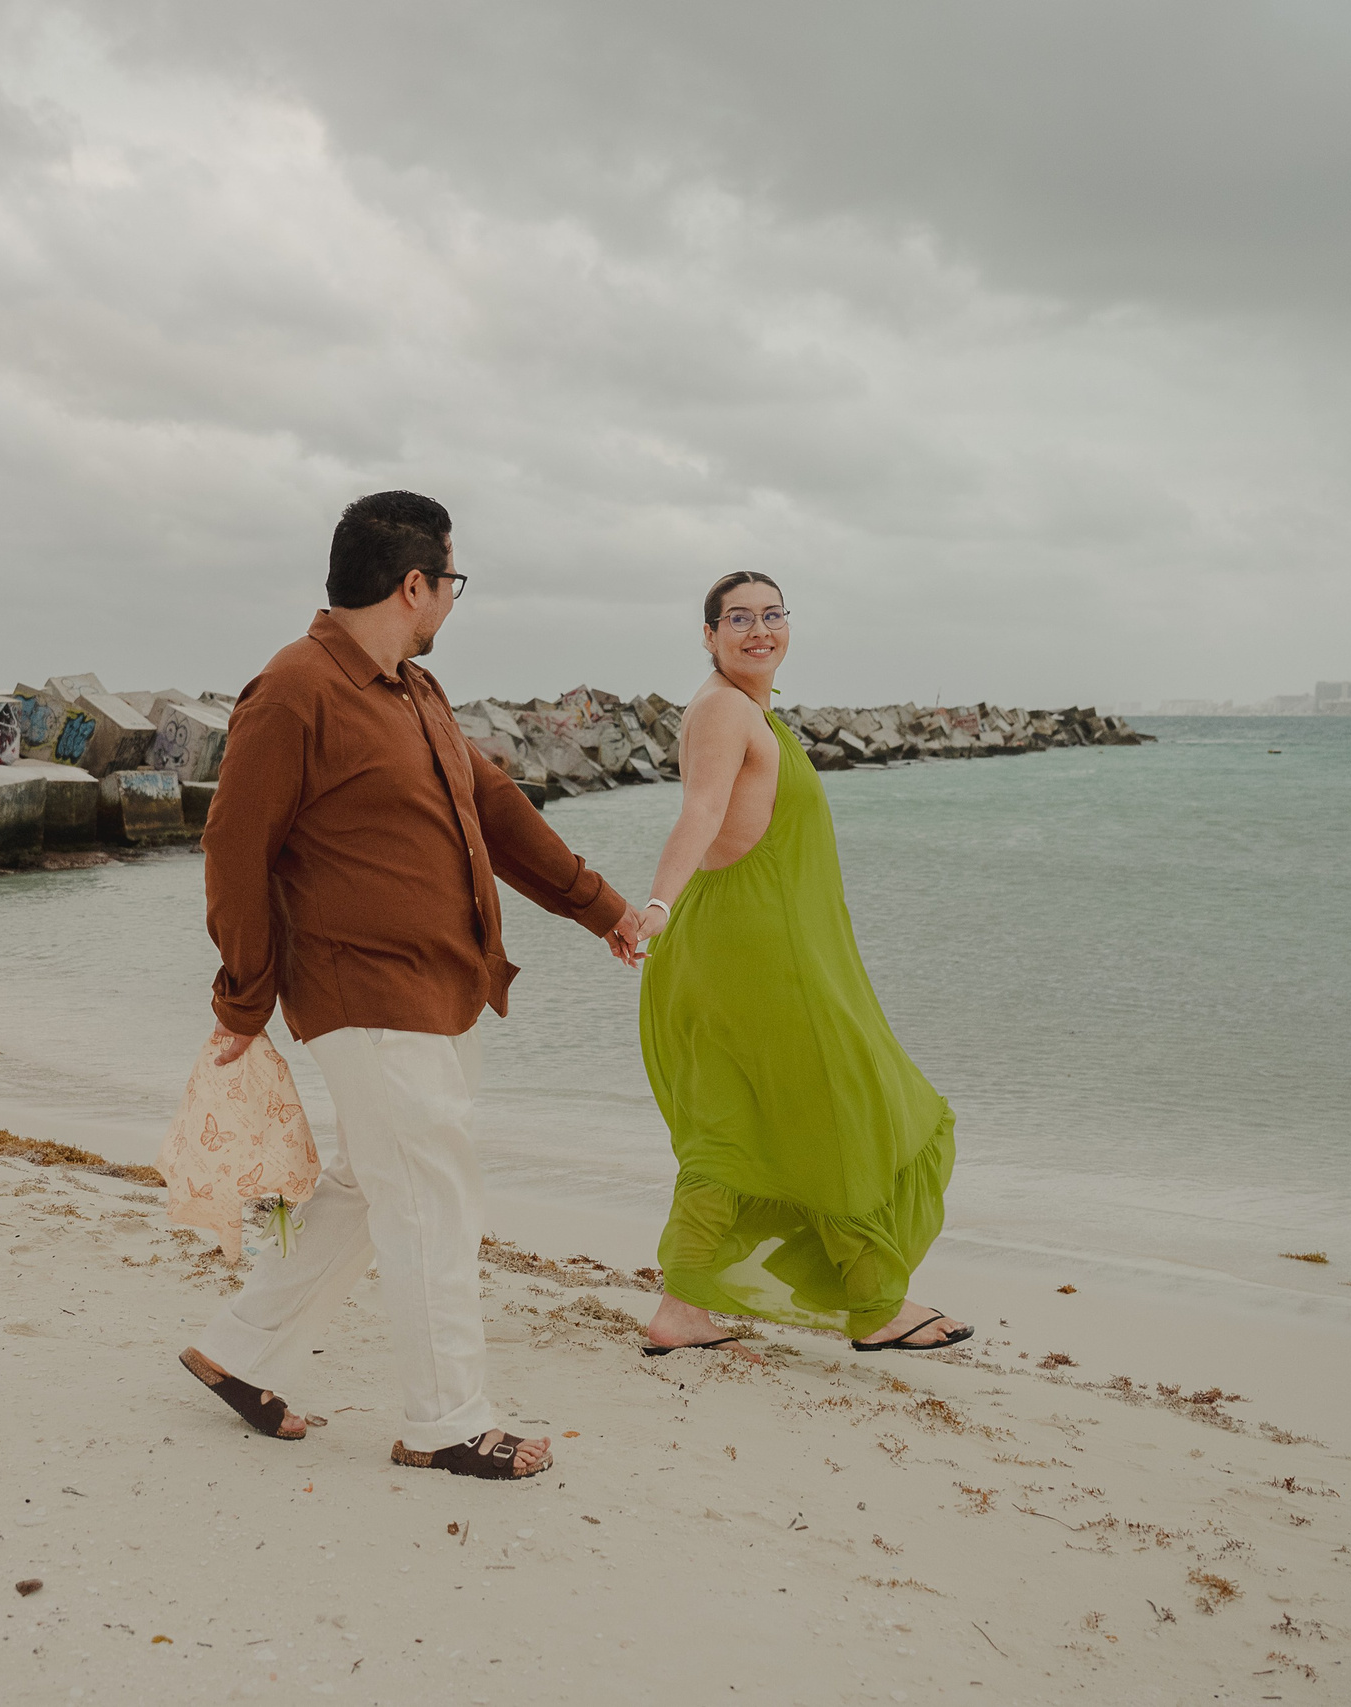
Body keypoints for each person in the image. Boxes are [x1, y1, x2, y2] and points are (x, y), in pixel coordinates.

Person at [178, 491, 645, 1481]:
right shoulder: (295, 688)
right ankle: (446, 1423)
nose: (448, 603)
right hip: (360, 993)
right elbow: (234, 848)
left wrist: (602, 909)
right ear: (414, 584)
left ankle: (237, 1349)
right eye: (449, 583)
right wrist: (243, 1001)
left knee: (365, 1186)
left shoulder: (412, 694)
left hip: (440, 991)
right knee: (431, 1194)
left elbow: (498, 807)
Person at [631, 572, 968, 1358]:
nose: (759, 630)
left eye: (773, 615)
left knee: (736, 1126)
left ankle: (682, 1309)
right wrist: (654, 905)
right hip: (759, 949)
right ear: (709, 634)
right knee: (842, 1105)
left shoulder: (747, 712)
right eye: (739, 618)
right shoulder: (723, 711)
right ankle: (874, 1300)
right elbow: (702, 814)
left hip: (741, 944)